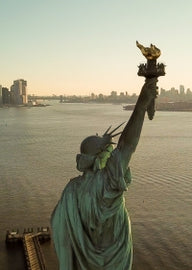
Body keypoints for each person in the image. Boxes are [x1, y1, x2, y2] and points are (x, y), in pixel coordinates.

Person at [51, 77, 158, 269]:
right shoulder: (108, 183)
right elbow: (127, 145)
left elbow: (60, 230)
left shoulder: (70, 191)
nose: (112, 155)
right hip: (113, 262)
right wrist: (141, 106)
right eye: (109, 152)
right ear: (99, 157)